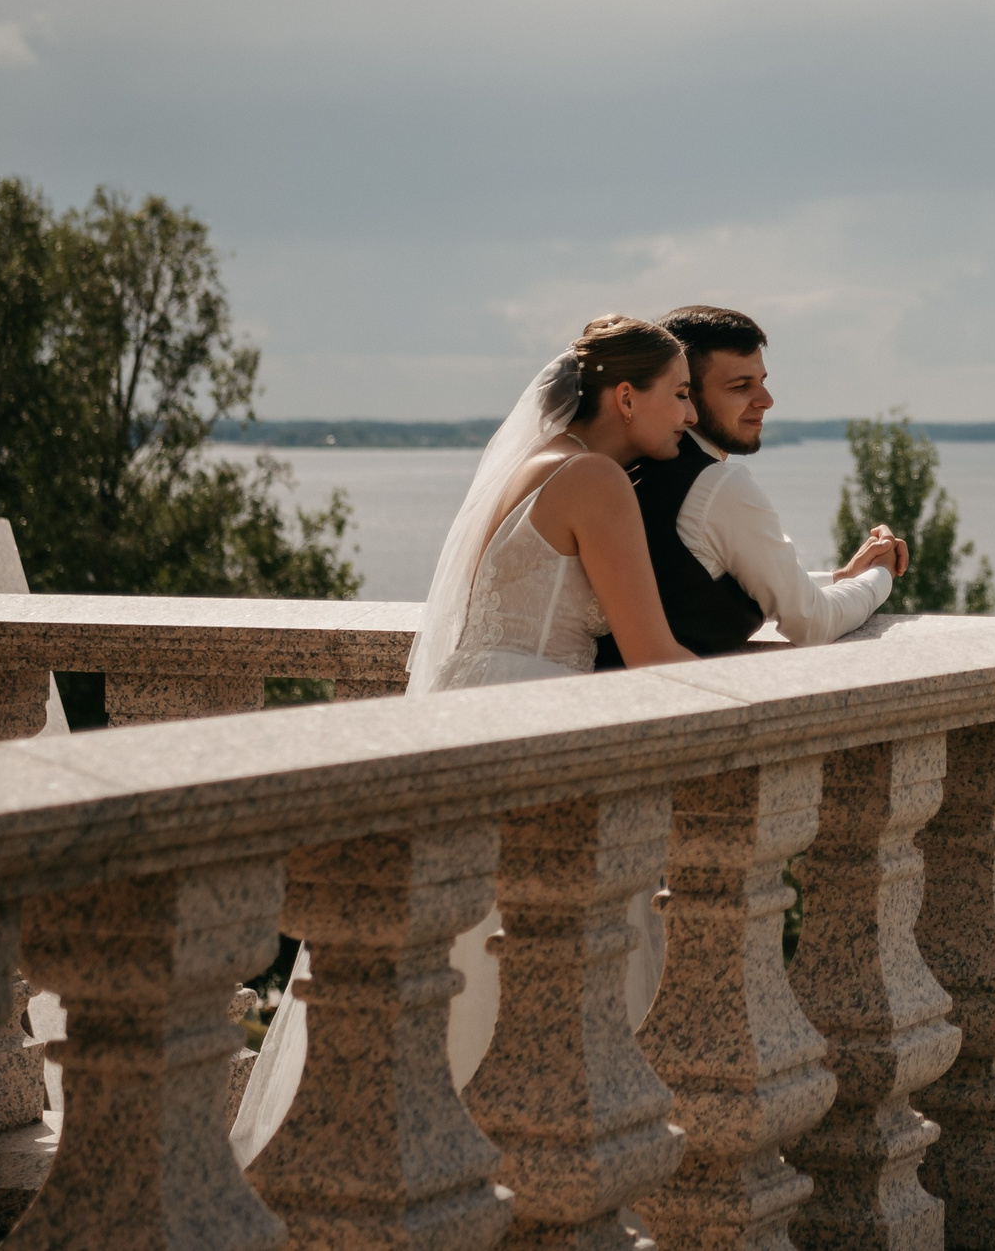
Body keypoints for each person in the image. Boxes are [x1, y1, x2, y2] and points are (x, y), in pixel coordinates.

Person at [231, 314, 697, 1168]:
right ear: (625, 396)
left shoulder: (533, 468)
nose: (690, 414)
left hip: (476, 715)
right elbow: (655, 655)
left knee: (453, 961)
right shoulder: (597, 481)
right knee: (523, 970)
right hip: (537, 732)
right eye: (678, 394)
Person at [593, 304, 906, 660]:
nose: (766, 401)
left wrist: (841, 577)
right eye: (741, 386)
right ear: (686, 391)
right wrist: (880, 577)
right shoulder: (717, 486)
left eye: (762, 382)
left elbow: (735, 577)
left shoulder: (634, 467)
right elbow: (814, 623)